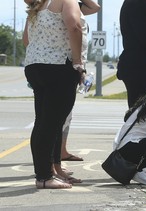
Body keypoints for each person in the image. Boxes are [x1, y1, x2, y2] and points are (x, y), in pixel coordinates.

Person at [23, 0, 84, 189]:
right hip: (58, 66)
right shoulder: (66, 1)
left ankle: (44, 173)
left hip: (34, 66)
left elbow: (26, 39)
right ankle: (44, 177)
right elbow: (74, 26)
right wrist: (77, 61)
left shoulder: (36, 6)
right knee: (52, 124)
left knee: (42, 122)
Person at [51, 0, 100, 183]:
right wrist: (78, 63)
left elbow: (95, 7)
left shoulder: (72, 5)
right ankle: (49, 167)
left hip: (55, 65)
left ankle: (54, 162)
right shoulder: (58, 5)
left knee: (60, 118)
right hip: (63, 64)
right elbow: (74, 28)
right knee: (53, 120)